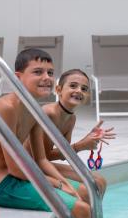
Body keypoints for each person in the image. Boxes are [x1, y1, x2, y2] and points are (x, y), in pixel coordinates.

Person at [0, 48, 94, 218]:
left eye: (50, 73)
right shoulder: (7, 107)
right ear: (17, 77)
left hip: (22, 176)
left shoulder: (33, 108)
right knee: (80, 208)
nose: (46, 78)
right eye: (38, 72)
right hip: (3, 186)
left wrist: (63, 185)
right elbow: (14, 169)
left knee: (84, 190)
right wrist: (58, 183)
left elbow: (40, 159)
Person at [30, 69, 115, 201]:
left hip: (40, 164)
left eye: (84, 88)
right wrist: (81, 145)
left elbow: (63, 153)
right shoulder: (48, 114)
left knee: (100, 181)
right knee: (86, 191)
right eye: (73, 86)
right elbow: (44, 156)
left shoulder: (70, 118)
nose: (79, 90)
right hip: (28, 167)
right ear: (58, 90)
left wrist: (88, 138)